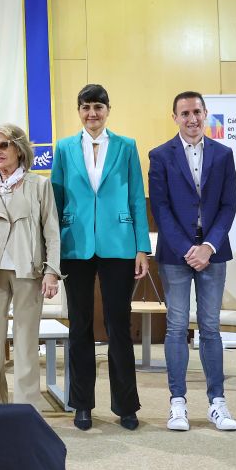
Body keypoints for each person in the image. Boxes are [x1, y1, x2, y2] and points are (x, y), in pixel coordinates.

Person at [50, 84, 150, 431]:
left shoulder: (126, 146)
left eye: (98, 107)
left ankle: (126, 406)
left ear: (108, 110)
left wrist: (141, 247)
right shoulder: (64, 147)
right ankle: (81, 404)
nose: (92, 113)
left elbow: (136, 196)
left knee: (118, 325)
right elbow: (56, 199)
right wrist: (52, 251)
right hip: (74, 244)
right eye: (86, 107)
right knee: (79, 325)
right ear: (79, 111)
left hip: (119, 244)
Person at [148, 91, 236, 432]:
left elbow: (228, 205)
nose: (192, 118)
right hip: (176, 253)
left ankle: (217, 402)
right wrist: (189, 248)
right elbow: (161, 208)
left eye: (197, 112)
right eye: (184, 113)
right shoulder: (160, 155)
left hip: (213, 252)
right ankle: (178, 403)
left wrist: (209, 246)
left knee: (210, 327)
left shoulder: (223, 154)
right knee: (176, 327)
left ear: (206, 114)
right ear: (175, 117)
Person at [0, 123, 60, 409]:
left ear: (19, 148)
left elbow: (52, 232)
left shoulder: (40, 185)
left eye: (4, 145)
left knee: (26, 343)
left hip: (29, 271)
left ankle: (26, 410)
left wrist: (52, 271)